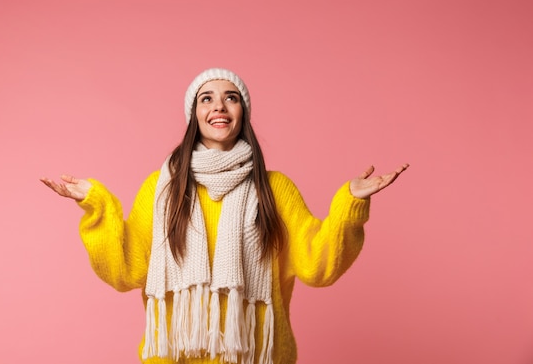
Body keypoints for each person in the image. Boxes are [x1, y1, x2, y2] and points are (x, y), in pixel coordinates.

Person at [41, 68, 409, 364]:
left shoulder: (275, 189)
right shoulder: (161, 188)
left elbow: (318, 263)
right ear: (194, 115)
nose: (219, 106)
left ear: (241, 113)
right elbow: (125, 269)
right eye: (207, 98)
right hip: (175, 359)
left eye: (230, 97)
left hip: (258, 357)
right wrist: (97, 206)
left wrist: (349, 206)